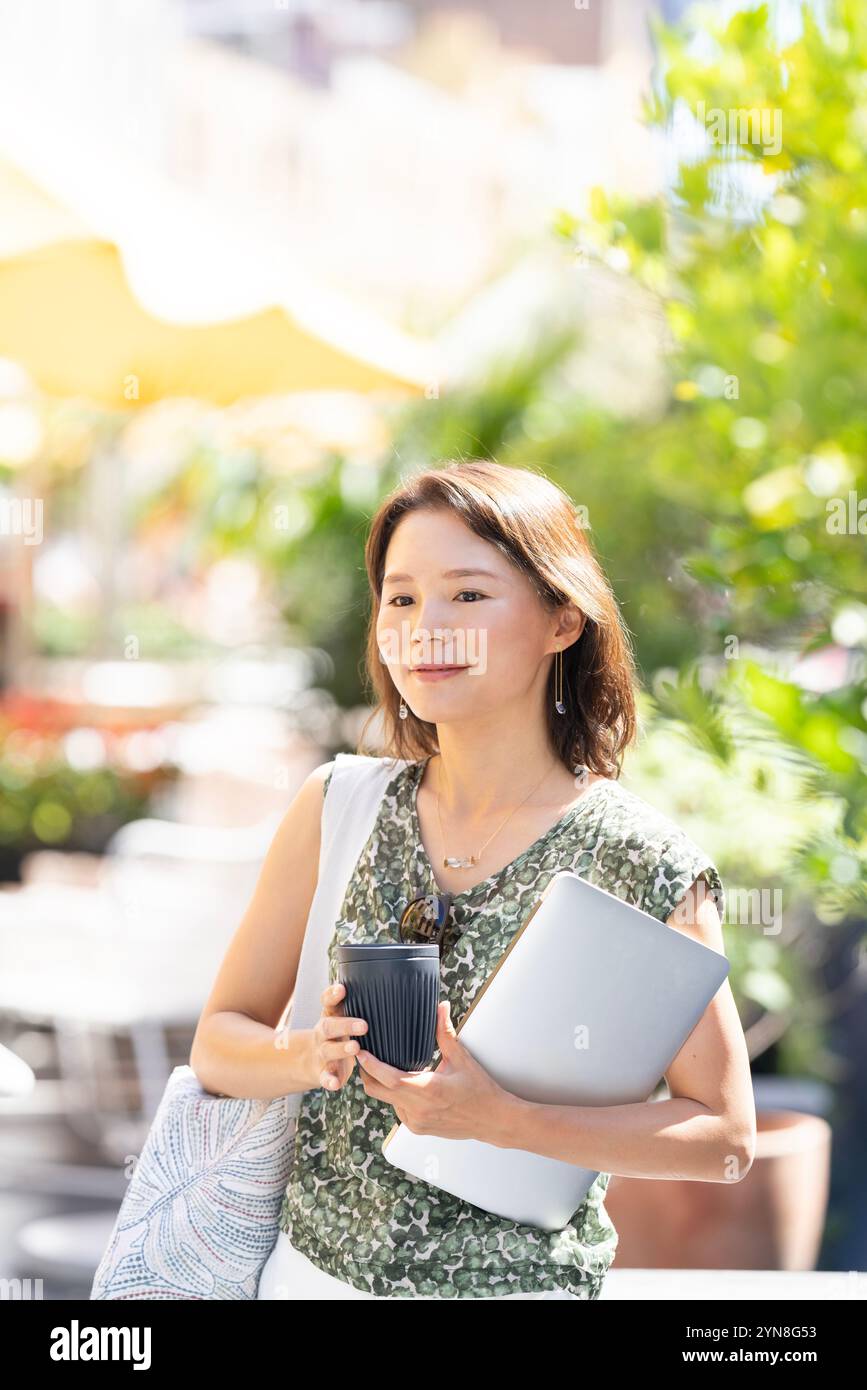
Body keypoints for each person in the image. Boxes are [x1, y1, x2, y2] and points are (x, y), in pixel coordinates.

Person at [190, 458, 756, 1300]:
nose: (426, 628)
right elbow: (217, 1043)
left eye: (467, 594)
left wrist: (503, 1121)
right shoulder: (338, 805)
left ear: (562, 619)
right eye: (402, 597)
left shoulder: (642, 859)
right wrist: (308, 1052)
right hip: (308, 1279)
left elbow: (723, 1137)